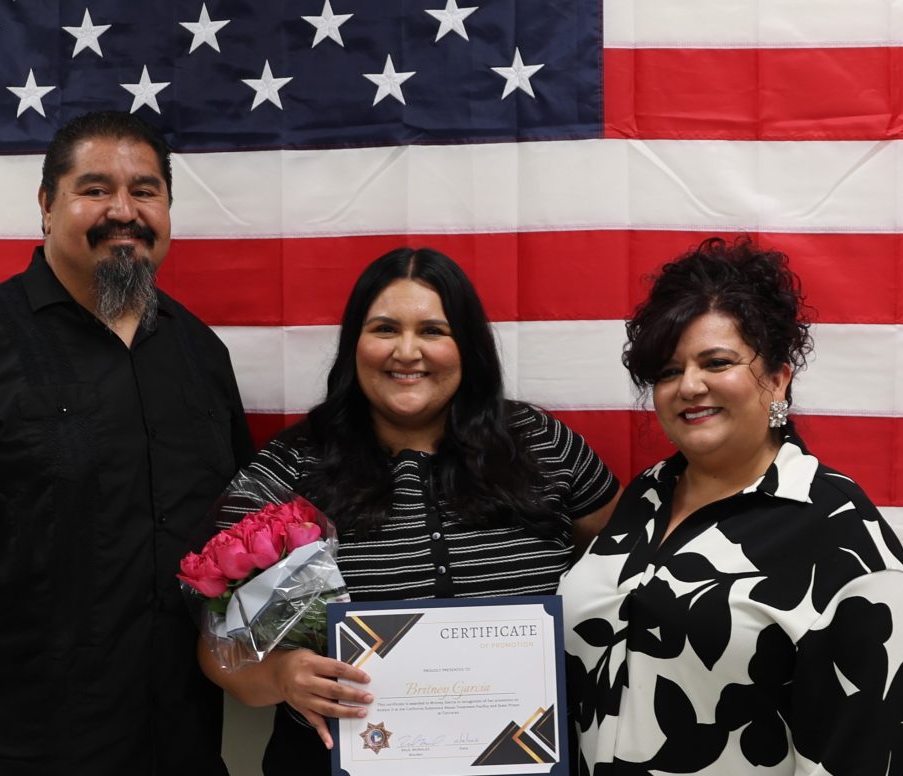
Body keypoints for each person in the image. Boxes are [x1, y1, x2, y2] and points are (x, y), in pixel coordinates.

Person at [0, 111, 254, 775]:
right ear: (47, 207)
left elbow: (236, 545)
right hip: (13, 751)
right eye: (94, 189)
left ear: (168, 209)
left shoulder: (202, 355)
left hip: (184, 748)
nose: (123, 211)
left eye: (145, 191)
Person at [200, 246, 622, 775]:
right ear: (354, 343)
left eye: (432, 331)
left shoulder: (541, 445)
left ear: (468, 345)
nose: (406, 351)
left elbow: (621, 569)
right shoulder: (290, 467)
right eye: (383, 329)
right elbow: (217, 648)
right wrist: (283, 676)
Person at [559, 237, 903, 774]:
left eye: (715, 362)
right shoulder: (646, 496)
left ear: (776, 379)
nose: (689, 386)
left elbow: (868, 749)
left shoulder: (841, 531)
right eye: (669, 371)